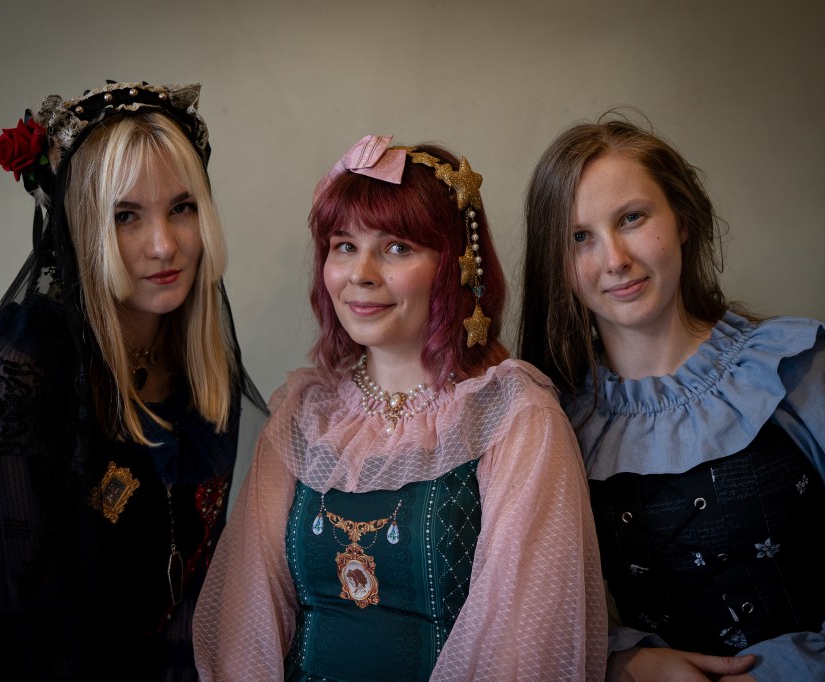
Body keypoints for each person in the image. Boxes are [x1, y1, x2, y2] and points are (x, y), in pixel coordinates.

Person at [0, 81, 265, 681]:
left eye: (182, 207)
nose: (164, 245)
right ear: (79, 228)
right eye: (126, 216)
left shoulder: (201, 363)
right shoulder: (19, 376)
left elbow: (194, 597)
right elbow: (6, 636)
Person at [192, 134, 606, 680]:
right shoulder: (304, 414)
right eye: (344, 245)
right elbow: (247, 618)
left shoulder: (516, 417)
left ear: (455, 266)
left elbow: (522, 647)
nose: (361, 273)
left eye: (396, 248)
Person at [518, 114, 825, 681]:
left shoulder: (791, 369)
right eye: (579, 237)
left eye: (632, 218)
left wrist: (809, 667)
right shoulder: (553, 420)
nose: (614, 259)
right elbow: (537, 609)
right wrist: (623, 658)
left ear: (683, 220)